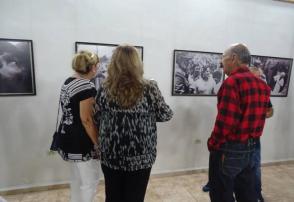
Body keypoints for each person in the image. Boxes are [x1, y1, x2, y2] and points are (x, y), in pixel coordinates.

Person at [95, 45, 173, 202]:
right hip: (141, 154)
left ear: (114, 63)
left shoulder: (104, 87)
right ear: (137, 63)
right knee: (135, 197)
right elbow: (166, 114)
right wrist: (144, 117)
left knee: (113, 196)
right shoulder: (149, 87)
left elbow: (97, 116)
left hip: (111, 152)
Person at [207, 43, 271, 202]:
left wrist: (213, 144)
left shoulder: (232, 83)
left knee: (221, 193)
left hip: (230, 148)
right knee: (246, 192)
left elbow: (226, 122)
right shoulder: (262, 85)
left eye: (223, 58)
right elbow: (266, 113)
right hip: (252, 148)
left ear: (234, 58)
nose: (221, 63)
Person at [54, 51, 101, 202]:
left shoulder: (68, 81)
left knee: (76, 179)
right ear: (93, 67)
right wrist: (97, 142)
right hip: (81, 140)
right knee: (90, 181)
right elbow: (86, 119)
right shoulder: (86, 85)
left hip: (67, 135)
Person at [250, 66, 274, 202]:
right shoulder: (242, 91)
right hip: (239, 137)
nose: (258, 81)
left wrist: (261, 114)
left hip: (255, 136)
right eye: (255, 78)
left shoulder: (264, 93)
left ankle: (257, 194)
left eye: (259, 77)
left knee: (255, 166)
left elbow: (271, 111)